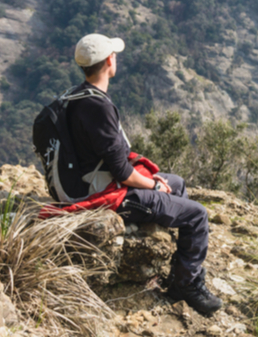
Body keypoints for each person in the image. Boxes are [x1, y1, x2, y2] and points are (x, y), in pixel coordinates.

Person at [67, 33, 222, 316]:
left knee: (177, 183)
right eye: (114, 55)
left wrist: (159, 184)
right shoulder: (98, 107)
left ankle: (183, 267)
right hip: (107, 194)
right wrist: (153, 184)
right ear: (109, 61)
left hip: (86, 183)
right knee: (197, 215)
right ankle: (185, 284)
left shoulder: (75, 97)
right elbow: (123, 172)